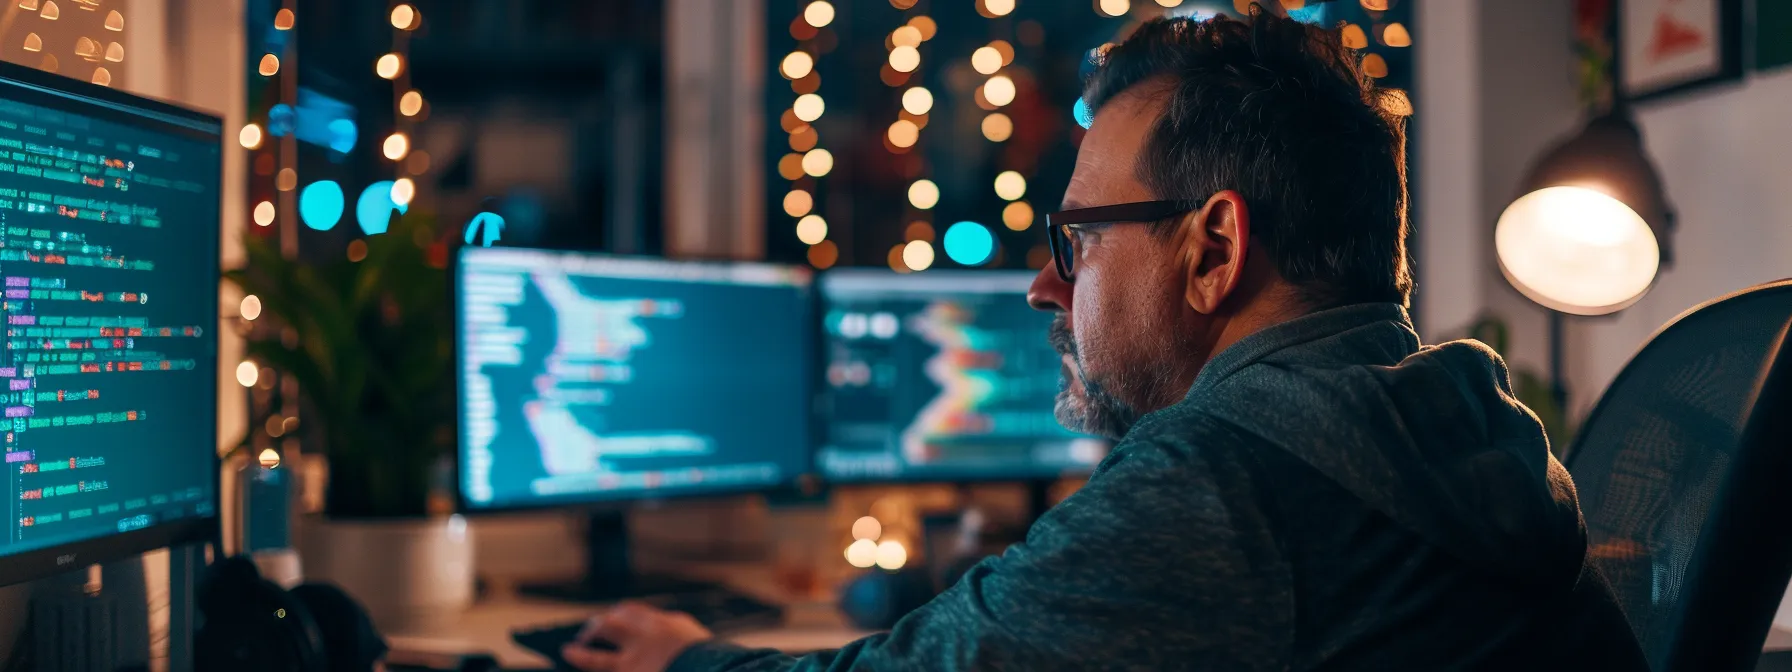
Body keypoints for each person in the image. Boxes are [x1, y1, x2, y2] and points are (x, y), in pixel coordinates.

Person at [563, 10, 1645, 671]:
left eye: (1078, 238)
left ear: (1213, 246)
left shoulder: (1233, 476)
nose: (1044, 284)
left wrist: (686, 659)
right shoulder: (1442, 428)